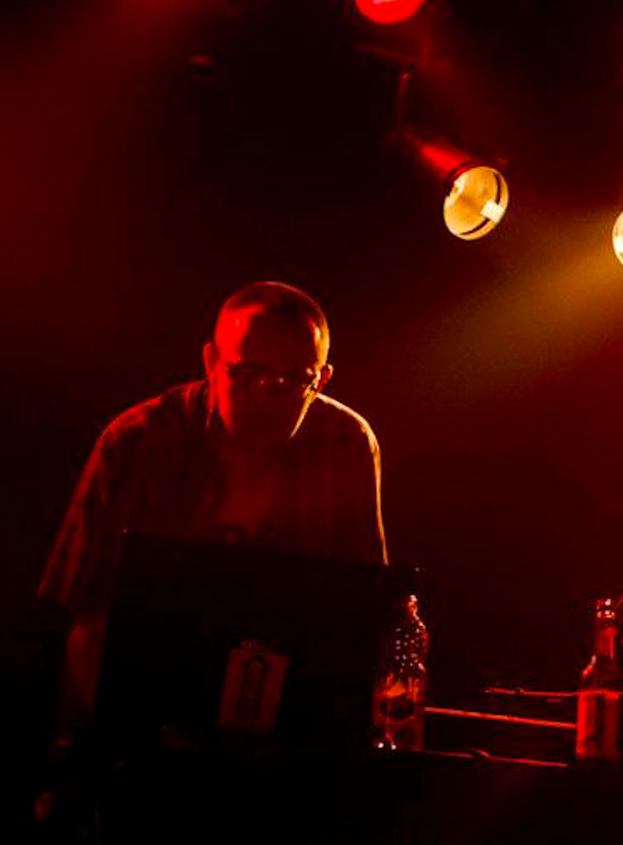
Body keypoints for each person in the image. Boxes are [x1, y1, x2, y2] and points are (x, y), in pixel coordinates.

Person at [38, 280, 387, 744]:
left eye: (292, 380)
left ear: (321, 379)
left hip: (282, 747)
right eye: (247, 373)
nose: (268, 395)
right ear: (210, 363)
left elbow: (366, 613)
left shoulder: (346, 446)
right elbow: (86, 615)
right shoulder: (139, 442)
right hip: (138, 733)